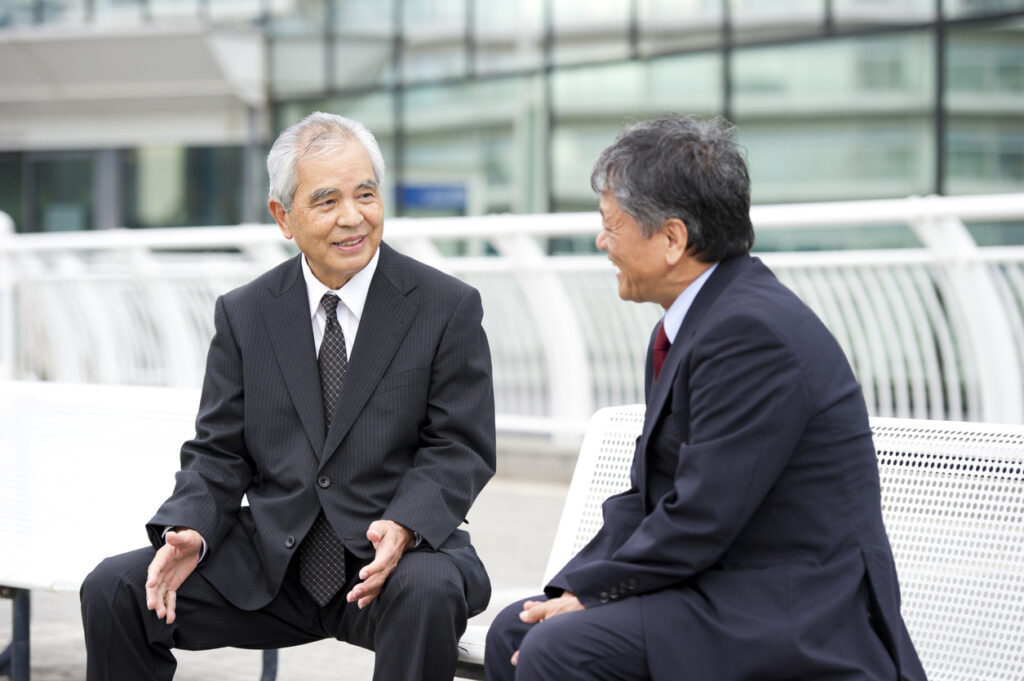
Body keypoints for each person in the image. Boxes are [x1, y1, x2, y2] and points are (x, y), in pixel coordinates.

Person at [485, 115, 927, 681]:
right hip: (718, 585)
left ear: (672, 239)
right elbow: (649, 498)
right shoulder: (696, 321)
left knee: (559, 648)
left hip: (785, 610)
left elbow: (701, 513)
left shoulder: (751, 334)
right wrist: (575, 588)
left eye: (610, 225)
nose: (602, 242)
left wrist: (594, 596)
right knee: (517, 629)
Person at [80, 111, 496, 681]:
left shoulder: (445, 305)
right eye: (327, 201)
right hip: (274, 560)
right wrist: (192, 530)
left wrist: (404, 524)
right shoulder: (246, 313)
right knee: (115, 588)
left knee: (428, 590)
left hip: (393, 556)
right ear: (284, 216)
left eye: (366, 194)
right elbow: (219, 452)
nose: (353, 218)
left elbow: (460, 447)